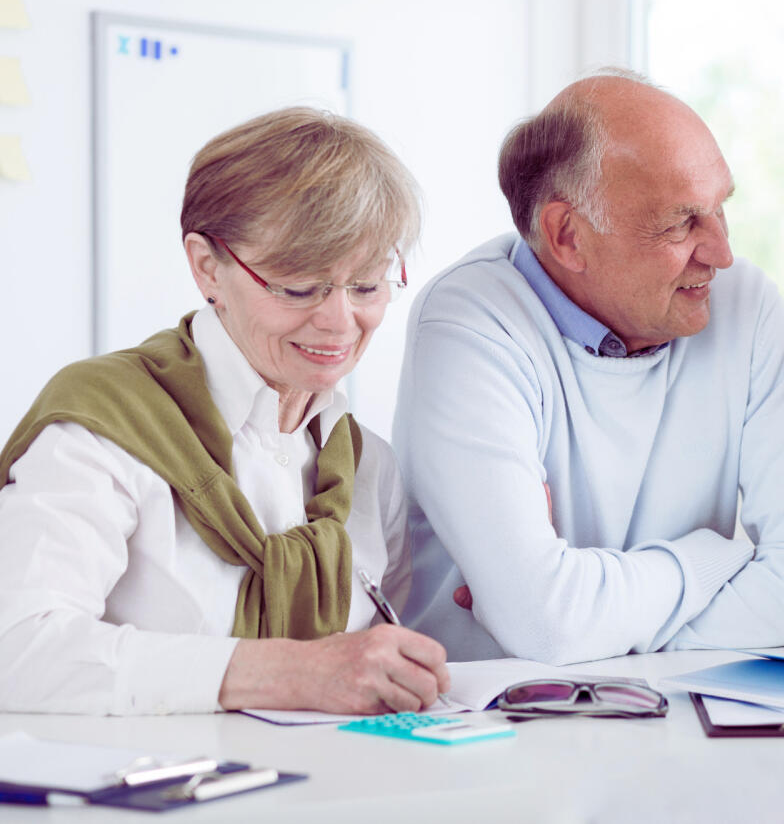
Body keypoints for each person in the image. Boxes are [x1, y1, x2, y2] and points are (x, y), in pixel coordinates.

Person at [393, 71, 784, 665]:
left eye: (722, 209)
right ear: (567, 235)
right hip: (494, 724)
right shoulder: (469, 322)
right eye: (680, 222)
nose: (720, 252)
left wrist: (592, 621)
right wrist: (715, 557)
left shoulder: (743, 305)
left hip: (676, 717)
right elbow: (548, 627)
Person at [0, 107, 450, 714]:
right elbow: (18, 650)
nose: (341, 322)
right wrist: (289, 673)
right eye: (299, 287)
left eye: (367, 286)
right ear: (207, 266)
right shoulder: (104, 425)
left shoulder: (368, 467)